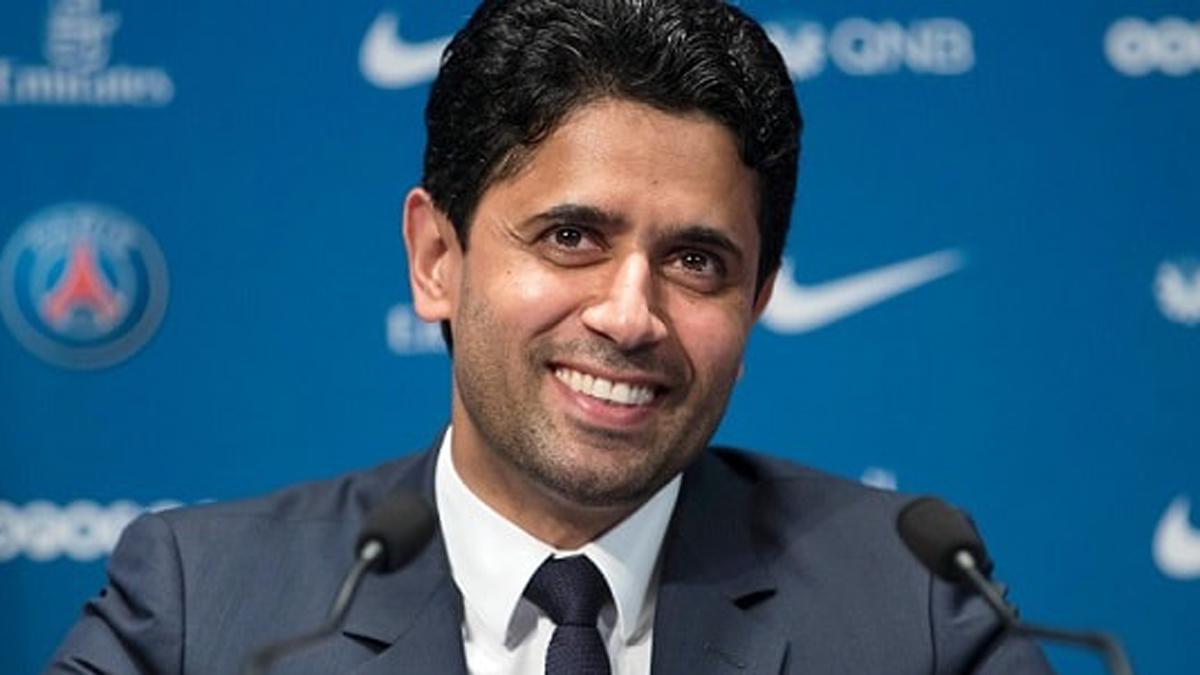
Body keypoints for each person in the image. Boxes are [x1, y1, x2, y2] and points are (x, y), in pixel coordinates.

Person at [50, 1, 1052, 673]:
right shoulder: (203, 609)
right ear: (436, 258)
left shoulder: (914, 606)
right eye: (572, 236)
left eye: (698, 261)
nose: (629, 314)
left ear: (757, 305)